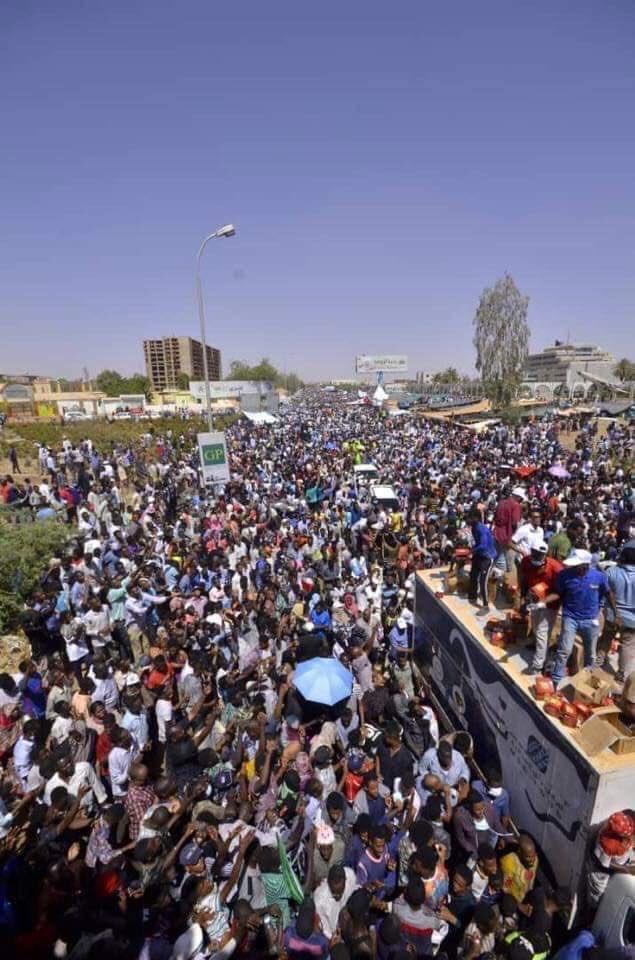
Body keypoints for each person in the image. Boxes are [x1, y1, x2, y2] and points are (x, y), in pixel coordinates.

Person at [547, 550, 610, 687]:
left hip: (590, 620)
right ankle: (555, 681)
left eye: (577, 565)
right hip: (570, 618)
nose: (573, 567)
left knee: (590, 654)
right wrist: (542, 602)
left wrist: (615, 614)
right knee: (564, 650)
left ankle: (587, 682)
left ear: (586, 565)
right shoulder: (564, 575)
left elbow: (607, 593)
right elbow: (558, 593)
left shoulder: (599, 577)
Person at [519, 542, 563, 676]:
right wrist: (523, 597)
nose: (536, 557)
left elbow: (560, 592)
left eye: (540, 556)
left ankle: (538, 664)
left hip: (550, 603)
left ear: (545, 555)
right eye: (535, 554)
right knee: (536, 626)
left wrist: (543, 602)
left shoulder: (556, 569)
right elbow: (524, 578)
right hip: (534, 598)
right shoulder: (526, 560)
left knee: (542, 632)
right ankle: (537, 646)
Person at [604, 539, 635, 680]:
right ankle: (622, 673)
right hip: (632, 620)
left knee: (605, 640)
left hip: (612, 616)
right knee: (627, 646)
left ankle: (596, 664)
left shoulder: (611, 571)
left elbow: (606, 591)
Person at [468, 509, 497, 612]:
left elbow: (483, 545)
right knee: (473, 575)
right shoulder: (473, 528)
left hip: (487, 557)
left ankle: (485, 605)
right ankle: (472, 596)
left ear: (476, 518)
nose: (469, 519)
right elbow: (477, 542)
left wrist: (471, 551)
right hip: (478, 555)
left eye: (470, 517)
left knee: (482, 581)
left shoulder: (481, 529)